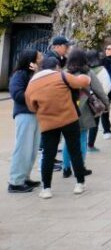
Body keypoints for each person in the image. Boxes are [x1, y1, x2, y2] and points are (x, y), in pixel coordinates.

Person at [25, 53, 91, 199]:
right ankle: (79, 183)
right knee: (75, 151)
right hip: (69, 119)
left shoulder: (32, 83)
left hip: (48, 123)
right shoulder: (61, 76)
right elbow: (81, 83)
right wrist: (87, 78)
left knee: (48, 155)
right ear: (56, 66)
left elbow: (31, 106)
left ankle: (46, 188)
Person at [62, 49, 110, 178]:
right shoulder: (88, 73)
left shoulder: (64, 73)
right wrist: (106, 105)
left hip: (67, 110)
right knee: (82, 139)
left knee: (67, 140)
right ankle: (80, 167)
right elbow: (99, 90)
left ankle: (66, 168)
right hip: (83, 110)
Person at [7, 50, 43, 193]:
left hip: (36, 114)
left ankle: (25, 177)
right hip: (25, 114)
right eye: (39, 56)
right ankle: (15, 182)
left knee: (32, 150)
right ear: (31, 59)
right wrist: (35, 98)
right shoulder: (19, 75)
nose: (42, 58)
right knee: (23, 148)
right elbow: (17, 94)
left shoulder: (36, 73)